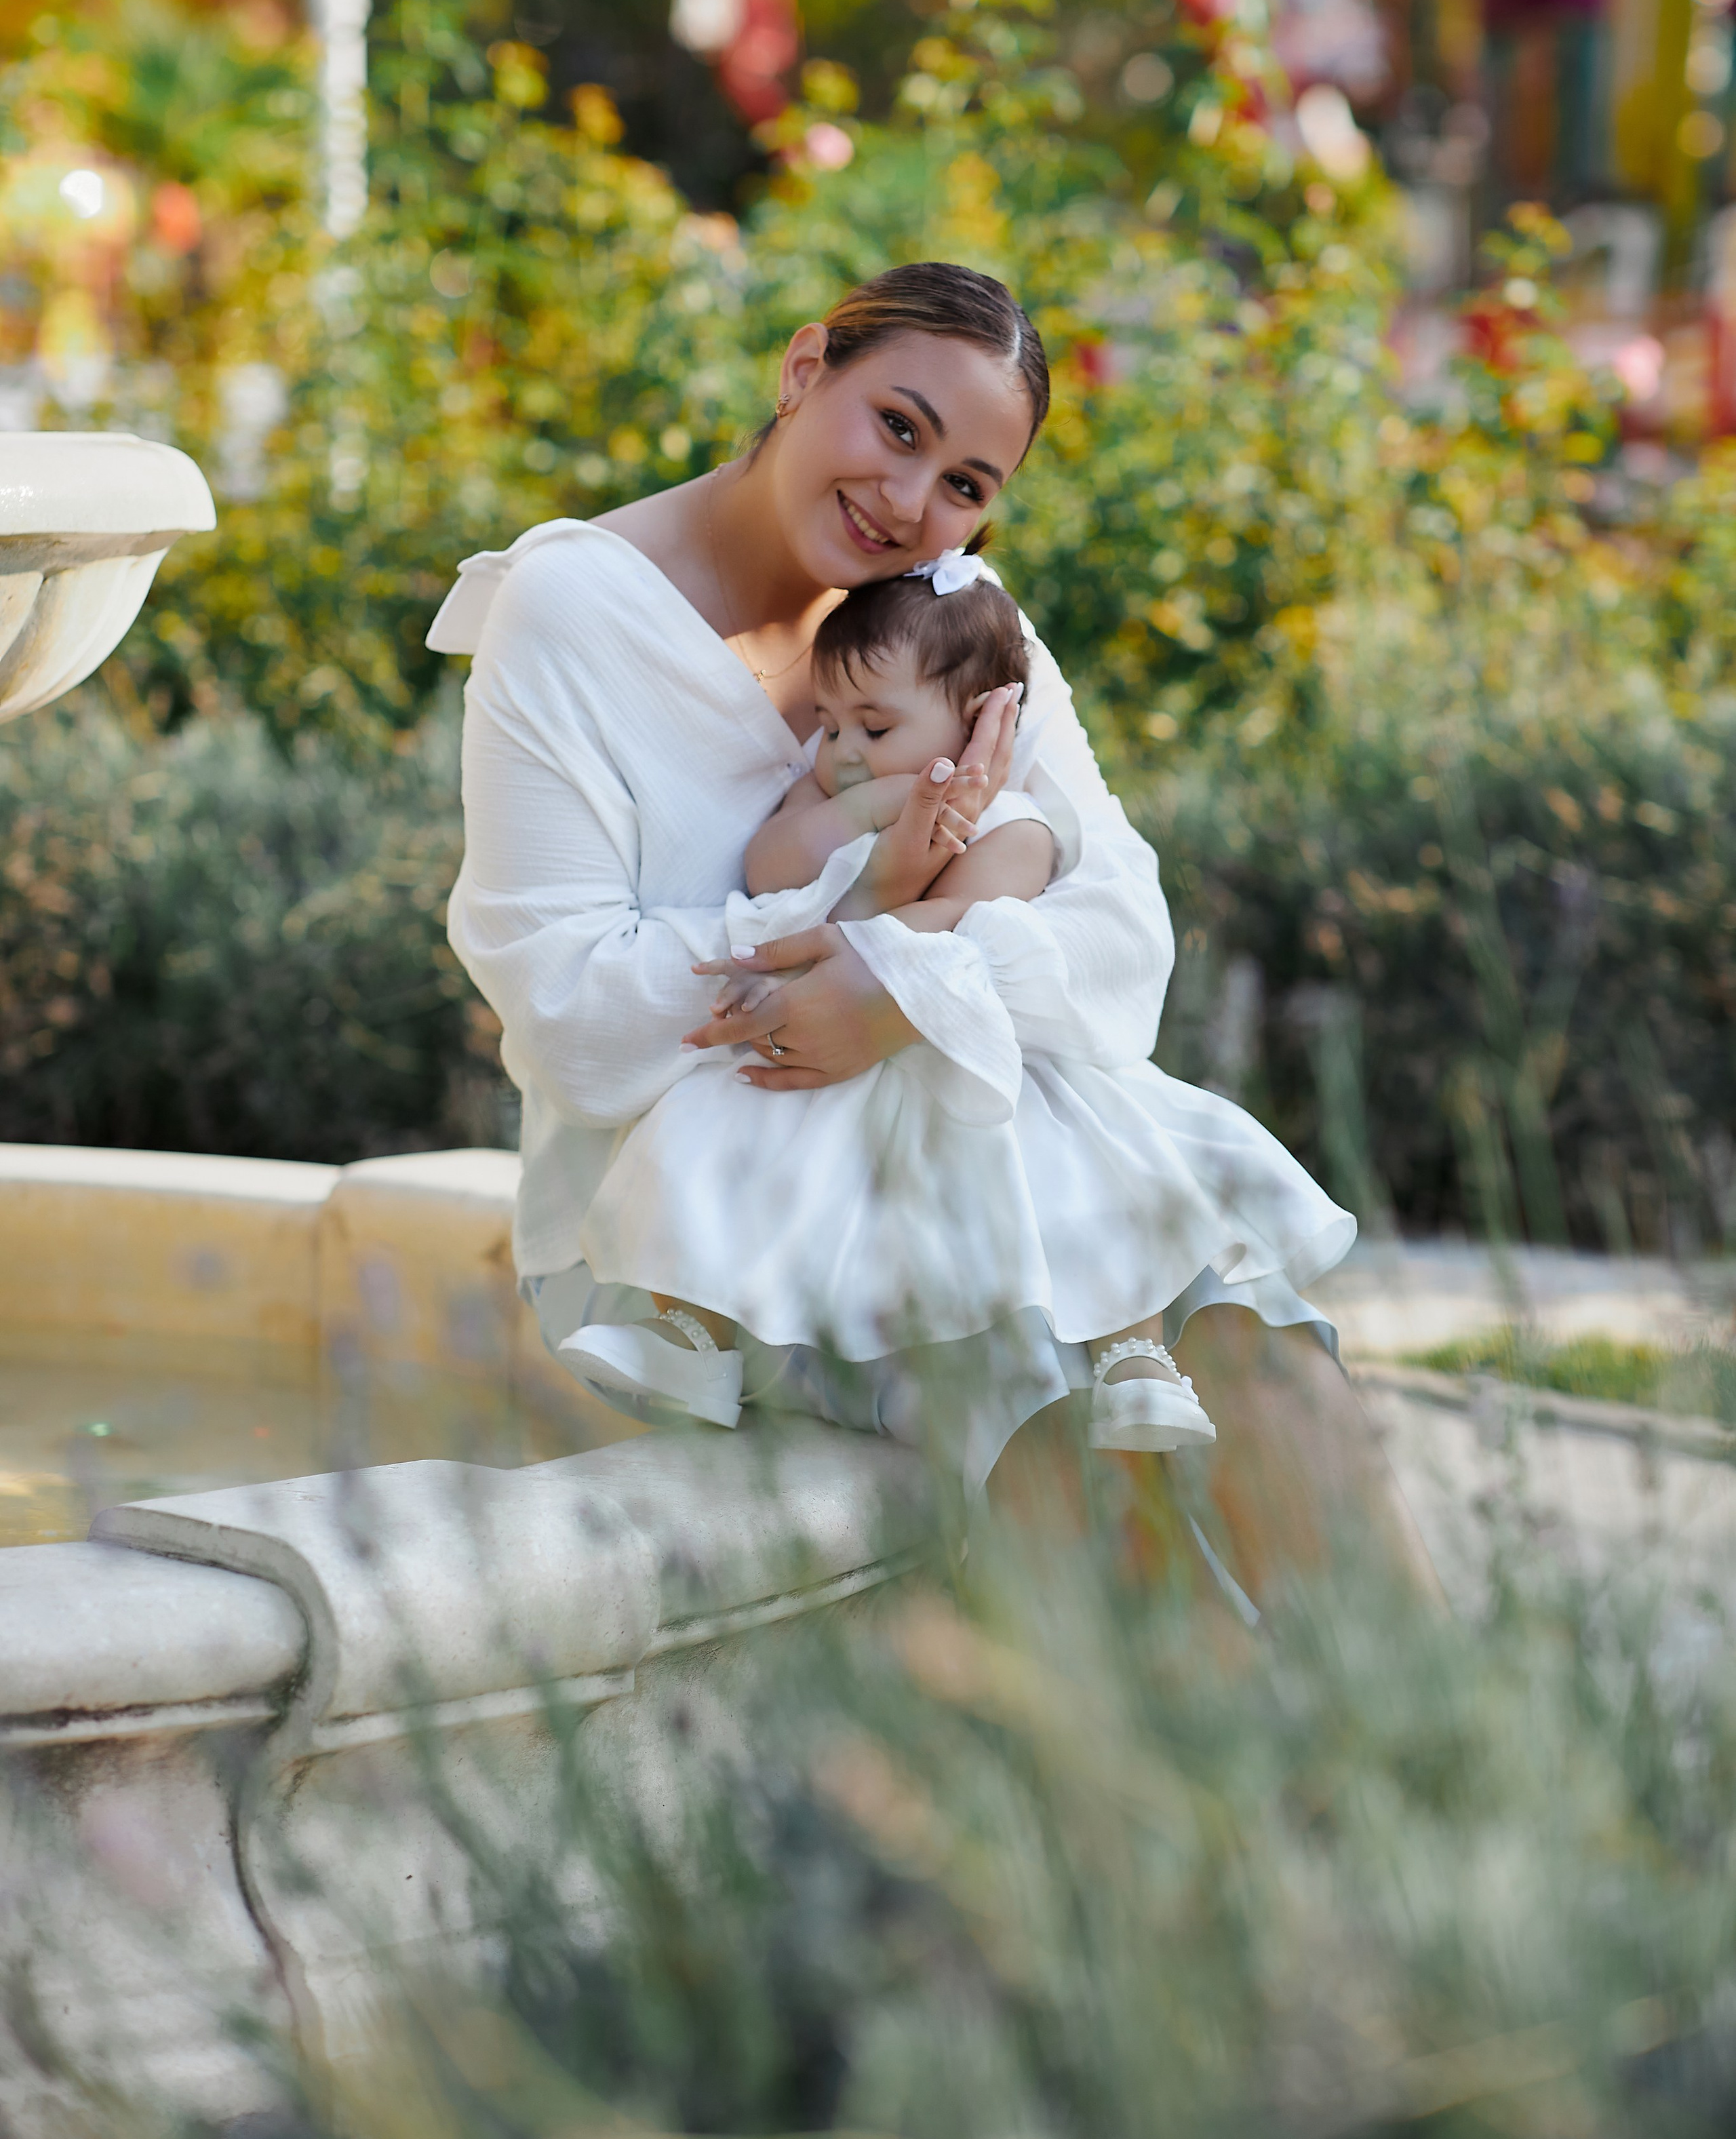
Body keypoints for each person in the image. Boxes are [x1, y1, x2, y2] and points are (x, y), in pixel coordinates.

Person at [428, 260, 1435, 1599]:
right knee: (1058, 1405)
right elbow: (573, 1018)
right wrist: (859, 943)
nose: (910, 501)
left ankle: (1433, 1727)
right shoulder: (571, 614)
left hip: (996, 1166)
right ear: (804, 371)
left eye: (964, 480)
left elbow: (1124, 935)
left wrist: (903, 989)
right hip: (701, 1237)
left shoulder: (952, 622)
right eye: (896, 426)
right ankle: (1179, 1723)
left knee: (1259, 1349)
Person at [567, 554, 1357, 1466]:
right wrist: (886, 804)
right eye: (828, 723)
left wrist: (876, 908)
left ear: (980, 720)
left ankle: (1136, 1359)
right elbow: (769, 864)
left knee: (1090, 1179)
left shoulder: (1013, 822)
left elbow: (969, 926)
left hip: (968, 1055)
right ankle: (693, 1338)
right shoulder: (833, 795)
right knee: (717, 1132)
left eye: (875, 725)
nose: (843, 748)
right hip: (831, 1056)